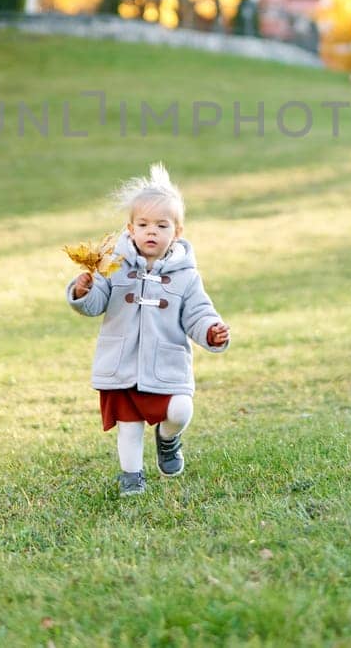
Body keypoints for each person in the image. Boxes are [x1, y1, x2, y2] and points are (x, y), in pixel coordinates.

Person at [67, 162, 230, 496]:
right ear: (130, 229)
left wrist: (211, 330)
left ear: (177, 232)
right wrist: (83, 291)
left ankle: (168, 440)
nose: (151, 232)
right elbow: (96, 302)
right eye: (143, 225)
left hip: (166, 363)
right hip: (123, 361)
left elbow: (197, 312)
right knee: (129, 426)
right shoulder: (113, 265)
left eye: (161, 225)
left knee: (180, 409)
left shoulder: (186, 275)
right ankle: (132, 477)